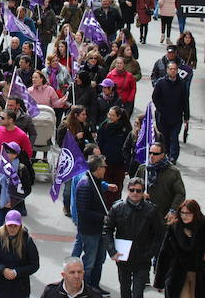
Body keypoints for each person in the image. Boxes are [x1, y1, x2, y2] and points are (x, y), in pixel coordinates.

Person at [103, 177, 164, 298]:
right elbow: (107, 230)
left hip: (142, 258)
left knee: (137, 293)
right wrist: (112, 251)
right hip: (123, 257)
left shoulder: (151, 210)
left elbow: (160, 234)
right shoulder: (117, 208)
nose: (135, 193)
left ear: (143, 192)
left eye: (138, 190)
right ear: (128, 190)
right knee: (125, 291)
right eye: (132, 190)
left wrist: (151, 253)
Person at [154, 200, 205, 298]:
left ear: (195, 213)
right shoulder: (174, 227)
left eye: (188, 213)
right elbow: (164, 254)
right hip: (177, 274)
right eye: (182, 213)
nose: (184, 216)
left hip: (200, 274)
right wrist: (159, 281)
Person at [75, 155, 114, 294]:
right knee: (90, 262)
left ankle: (95, 287)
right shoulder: (85, 185)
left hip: (99, 230)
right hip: (90, 231)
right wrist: (103, 217)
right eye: (104, 167)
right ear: (98, 169)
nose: (105, 170)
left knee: (100, 260)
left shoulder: (96, 183)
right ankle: (84, 289)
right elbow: (83, 211)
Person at [0, 210, 40, 298]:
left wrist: (16, 272)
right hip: (1, 286)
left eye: (15, 226)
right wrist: (2, 270)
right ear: (5, 225)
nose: (12, 229)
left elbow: (34, 265)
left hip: (21, 288)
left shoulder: (27, 241)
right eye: (10, 226)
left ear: (20, 226)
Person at [135, 142, 187, 224]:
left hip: (163, 215)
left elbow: (180, 193)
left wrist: (173, 210)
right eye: (150, 153)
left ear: (163, 155)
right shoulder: (143, 169)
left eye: (155, 154)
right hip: (143, 214)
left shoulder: (172, 172)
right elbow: (133, 187)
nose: (152, 156)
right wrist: (139, 194)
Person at [152, 61, 190, 162]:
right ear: (167, 70)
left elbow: (185, 100)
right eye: (171, 69)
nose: (173, 71)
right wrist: (160, 109)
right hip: (163, 116)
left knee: (174, 137)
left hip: (176, 116)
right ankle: (165, 154)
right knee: (165, 137)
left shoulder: (181, 84)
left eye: (175, 69)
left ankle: (173, 157)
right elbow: (155, 97)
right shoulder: (160, 83)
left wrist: (186, 117)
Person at [0, 141, 34, 230]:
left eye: (8, 151)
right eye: (5, 150)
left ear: (15, 155)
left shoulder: (21, 169)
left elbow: (27, 189)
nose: (5, 153)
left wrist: (13, 202)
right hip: (0, 204)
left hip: (15, 206)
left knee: (13, 231)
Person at [96, 106, 131, 204]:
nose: (109, 117)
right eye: (109, 114)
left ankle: (116, 206)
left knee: (117, 186)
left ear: (119, 116)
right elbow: (100, 142)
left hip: (120, 163)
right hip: (106, 162)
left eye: (112, 115)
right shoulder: (104, 126)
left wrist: (127, 165)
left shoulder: (125, 129)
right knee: (106, 185)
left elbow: (128, 148)